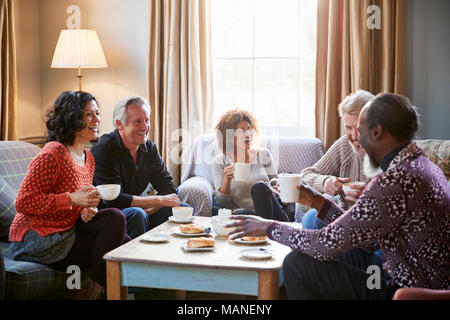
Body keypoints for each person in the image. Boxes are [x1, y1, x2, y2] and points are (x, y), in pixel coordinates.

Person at [227, 93, 450, 299]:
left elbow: (325, 243)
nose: (356, 139)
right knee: (314, 253)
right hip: (400, 273)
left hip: (400, 287)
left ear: (377, 132)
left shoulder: (393, 182)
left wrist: (268, 227)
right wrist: (318, 202)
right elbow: (369, 240)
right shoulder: (423, 167)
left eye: (360, 130)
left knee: (297, 264)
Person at [9, 91, 130, 300]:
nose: (97, 119)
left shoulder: (88, 158)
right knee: (116, 223)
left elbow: (77, 204)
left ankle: (107, 292)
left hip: (67, 228)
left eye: (98, 113)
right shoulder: (52, 153)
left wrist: (86, 209)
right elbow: (23, 202)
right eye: (89, 114)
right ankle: (96, 291)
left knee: (124, 237)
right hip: (38, 238)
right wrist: (72, 199)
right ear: (72, 117)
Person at [91, 96, 186, 239]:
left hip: (141, 212)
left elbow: (168, 188)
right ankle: (135, 259)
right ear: (120, 124)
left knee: (183, 209)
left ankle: (168, 259)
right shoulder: (104, 148)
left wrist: (152, 209)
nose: (145, 127)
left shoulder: (149, 147)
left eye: (147, 120)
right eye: (138, 122)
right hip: (109, 215)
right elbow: (114, 200)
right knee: (137, 214)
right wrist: (158, 201)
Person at [300, 90, 376, 228]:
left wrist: (371, 199)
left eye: (360, 128)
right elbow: (306, 175)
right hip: (344, 222)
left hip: (375, 227)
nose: (354, 136)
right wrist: (325, 182)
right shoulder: (344, 146)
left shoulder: (391, 151)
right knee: (311, 218)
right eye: (348, 128)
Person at [212, 109, 290, 221]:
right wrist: (226, 181)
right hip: (242, 216)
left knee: (260, 187)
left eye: (249, 129)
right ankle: (262, 230)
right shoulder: (220, 161)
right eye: (241, 131)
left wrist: (277, 189)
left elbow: (277, 189)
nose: (247, 133)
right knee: (243, 213)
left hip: (273, 217)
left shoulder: (263, 154)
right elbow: (221, 203)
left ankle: (263, 229)